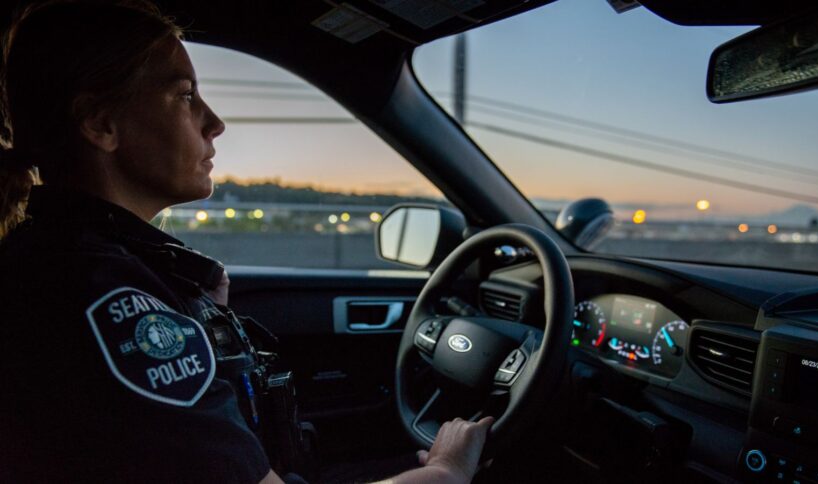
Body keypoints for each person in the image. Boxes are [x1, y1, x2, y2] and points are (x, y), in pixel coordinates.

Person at [0, 1, 493, 482]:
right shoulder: (100, 297)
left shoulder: (73, 264)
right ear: (100, 123)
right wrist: (448, 470)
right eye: (186, 95)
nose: (214, 123)